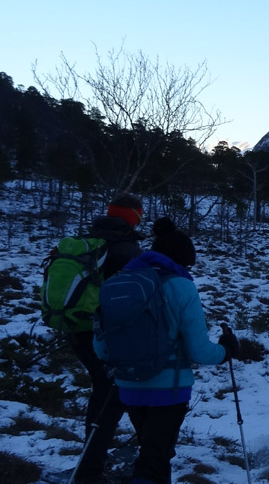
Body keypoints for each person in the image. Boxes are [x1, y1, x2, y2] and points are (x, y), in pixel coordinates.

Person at [93, 218, 237, 484]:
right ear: (182, 261)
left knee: (155, 455)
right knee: (154, 459)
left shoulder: (118, 283)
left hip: (128, 386)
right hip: (169, 389)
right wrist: (226, 351)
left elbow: (101, 348)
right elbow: (200, 351)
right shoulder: (181, 286)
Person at [68, 192, 144, 484]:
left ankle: (92, 461)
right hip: (106, 334)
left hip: (77, 328)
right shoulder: (125, 250)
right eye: (140, 213)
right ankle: (90, 471)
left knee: (104, 391)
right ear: (132, 217)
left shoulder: (89, 242)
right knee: (111, 396)